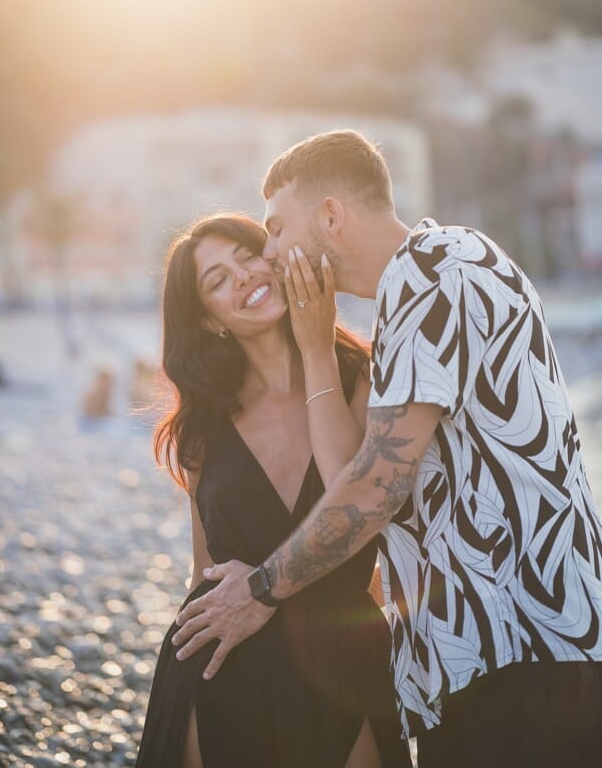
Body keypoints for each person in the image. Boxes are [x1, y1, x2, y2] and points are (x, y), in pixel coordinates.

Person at [173, 130, 602, 768]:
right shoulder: (420, 288)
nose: (268, 252)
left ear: (331, 216)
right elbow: (351, 474)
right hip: (485, 659)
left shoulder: (433, 277)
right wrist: (319, 349)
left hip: (524, 650)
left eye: (274, 227)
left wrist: (261, 589)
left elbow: (375, 492)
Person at [137, 214, 410, 768]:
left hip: (339, 662)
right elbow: (205, 568)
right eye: (216, 281)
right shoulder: (202, 426)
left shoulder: (364, 378)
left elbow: (355, 509)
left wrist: (315, 353)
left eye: (247, 255)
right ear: (211, 320)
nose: (240, 276)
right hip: (224, 662)